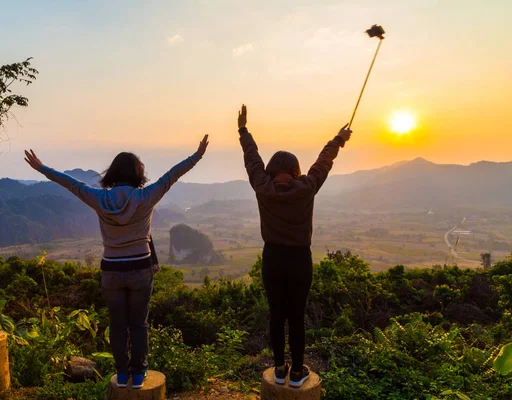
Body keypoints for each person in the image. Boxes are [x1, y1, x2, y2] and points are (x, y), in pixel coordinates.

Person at [24, 134, 209, 389]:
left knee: (118, 325)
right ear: (137, 174)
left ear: (113, 173)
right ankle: (138, 374)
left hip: (111, 270)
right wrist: (197, 156)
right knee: (139, 323)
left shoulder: (100, 199)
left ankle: (121, 375)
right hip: (140, 269)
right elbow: (170, 177)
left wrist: (42, 168)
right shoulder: (145, 198)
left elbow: (72, 184)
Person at [236, 104, 351, 388]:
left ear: (272, 170)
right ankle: (298, 371)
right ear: (295, 170)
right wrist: (338, 141)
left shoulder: (263, 186)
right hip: (300, 259)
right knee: (296, 316)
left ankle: (278, 368)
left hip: (272, 258)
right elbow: (323, 162)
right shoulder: (306, 187)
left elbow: (252, 160)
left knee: (277, 314)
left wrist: (243, 131)